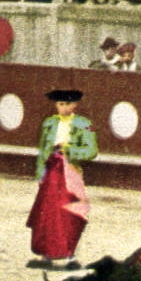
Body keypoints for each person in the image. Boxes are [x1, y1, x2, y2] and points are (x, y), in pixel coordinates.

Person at [26, 89, 99, 269]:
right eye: (59, 104)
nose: (62, 107)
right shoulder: (49, 123)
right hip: (51, 171)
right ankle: (46, 256)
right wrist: (40, 174)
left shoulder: (84, 124)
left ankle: (70, 256)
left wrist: (68, 150)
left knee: (70, 212)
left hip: (71, 171)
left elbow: (91, 151)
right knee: (46, 213)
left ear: (75, 105)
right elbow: (43, 151)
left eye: (66, 104)